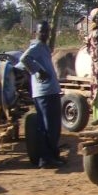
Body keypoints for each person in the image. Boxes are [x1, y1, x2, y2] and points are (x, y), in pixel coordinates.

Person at [17, 21, 64, 168]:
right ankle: (45, 159)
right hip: (44, 93)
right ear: (36, 33)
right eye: (41, 31)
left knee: (54, 126)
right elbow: (23, 59)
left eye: (46, 31)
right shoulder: (36, 46)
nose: (44, 34)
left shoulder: (44, 47)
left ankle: (53, 155)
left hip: (51, 91)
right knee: (47, 127)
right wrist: (38, 70)